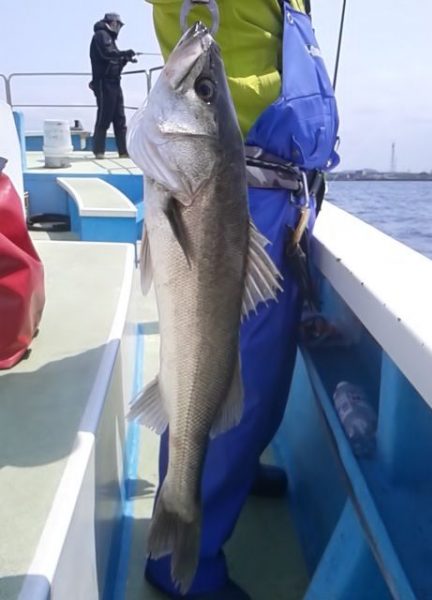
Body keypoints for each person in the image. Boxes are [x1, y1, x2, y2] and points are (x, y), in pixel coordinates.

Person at [143, 1, 339, 598]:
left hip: (280, 201)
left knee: (267, 375)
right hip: (229, 190)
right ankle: (183, 561)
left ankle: (235, 463)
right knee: (223, 374)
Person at [89, 13, 136, 159]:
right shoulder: (101, 35)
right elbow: (107, 54)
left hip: (115, 83)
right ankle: (99, 151)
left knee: (119, 118)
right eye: (119, 25)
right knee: (104, 116)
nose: (119, 28)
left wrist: (125, 59)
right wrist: (123, 53)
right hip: (104, 83)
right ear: (113, 23)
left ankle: (124, 152)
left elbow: (114, 62)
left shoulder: (110, 38)